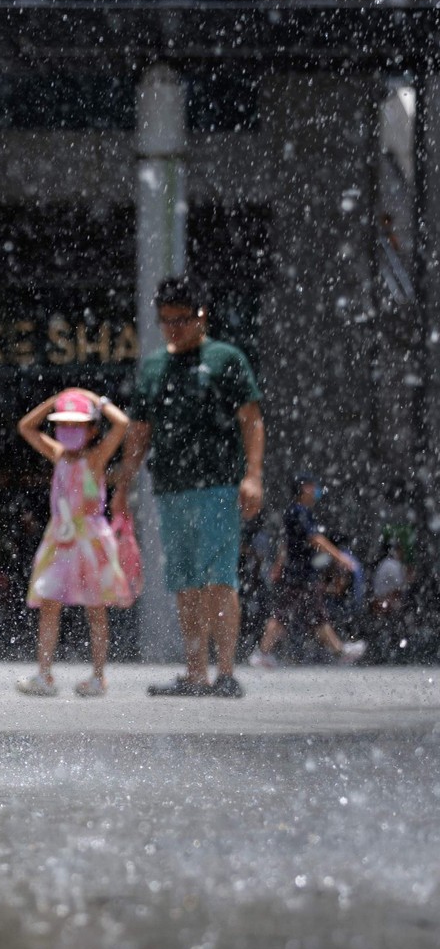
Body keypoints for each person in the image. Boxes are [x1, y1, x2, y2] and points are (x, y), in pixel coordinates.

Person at [112, 276, 264, 698]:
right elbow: (140, 431)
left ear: (202, 316)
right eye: (166, 320)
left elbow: (250, 418)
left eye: (181, 319)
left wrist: (253, 474)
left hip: (218, 485)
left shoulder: (225, 358)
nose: (173, 327)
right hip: (171, 489)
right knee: (184, 580)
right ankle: (196, 672)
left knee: (218, 576)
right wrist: (123, 486)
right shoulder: (155, 366)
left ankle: (227, 672)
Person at [15, 388, 133, 697]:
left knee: (96, 607)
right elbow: (26, 427)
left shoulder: (95, 458)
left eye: (77, 425)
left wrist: (94, 400)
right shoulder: (57, 454)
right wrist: (53, 402)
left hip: (90, 540)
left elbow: (121, 424)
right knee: (49, 603)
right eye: (63, 424)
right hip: (61, 536)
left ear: (91, 429)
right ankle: (45, 674)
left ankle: (98, 676)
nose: (68, 431)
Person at [250, 474, 366, 667]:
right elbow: (315, 539)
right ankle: (263, 653)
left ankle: (338, 650)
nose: (317, 490)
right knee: (286, 615)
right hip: (299, 575)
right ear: (304, 488)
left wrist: (279, 565)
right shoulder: (299, 512)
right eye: (313, 486)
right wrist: (340, 557)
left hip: (299, 573)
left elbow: (287, 544)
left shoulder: (295, 512)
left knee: (312, 615)